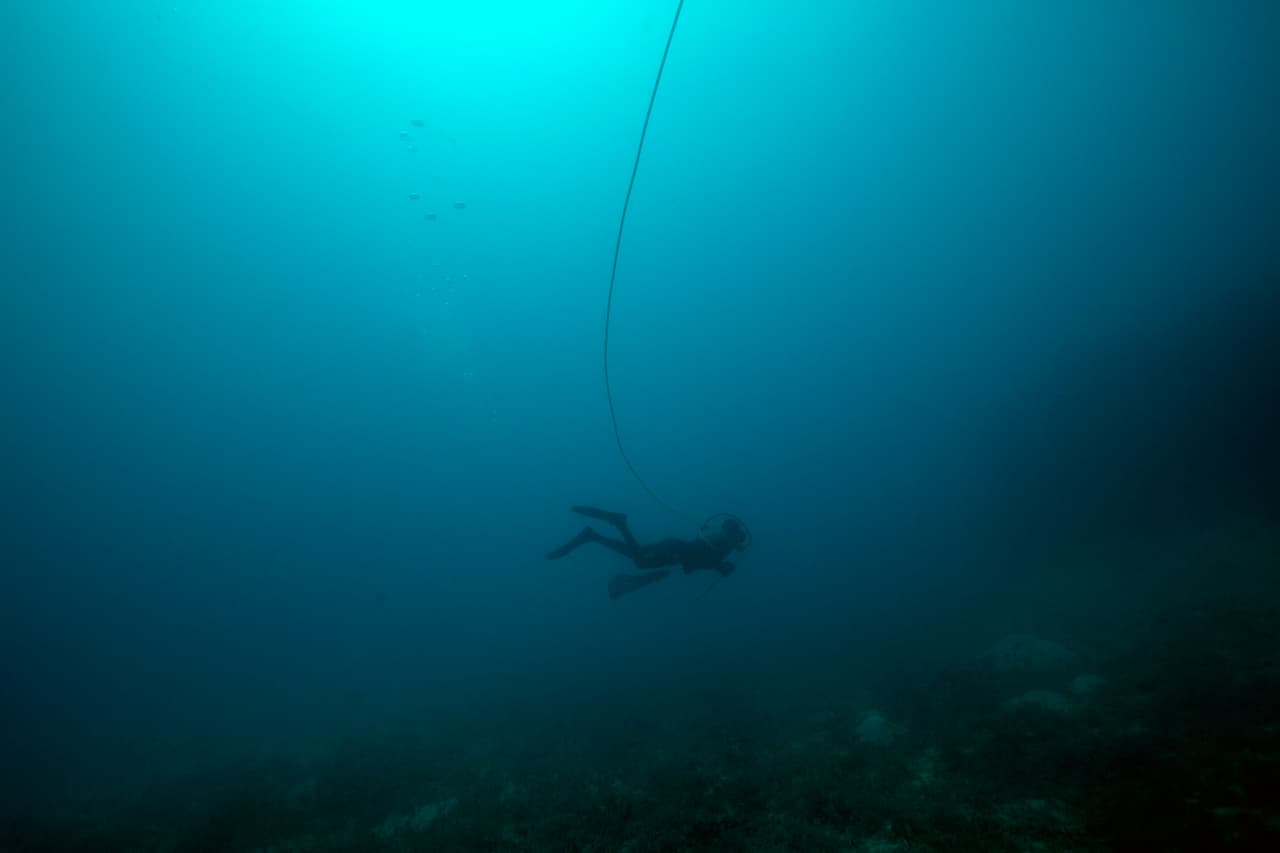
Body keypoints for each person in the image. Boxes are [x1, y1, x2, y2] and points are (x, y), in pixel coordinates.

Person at [546, 505, 748, 599]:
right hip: (674, 551)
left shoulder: (721, 541)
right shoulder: (723, 545)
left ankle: (592, 536)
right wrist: (720, 566)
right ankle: (619, 523)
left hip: (674, 548)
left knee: (637, 554)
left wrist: (719, 565)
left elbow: (703, 556)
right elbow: (703, 559)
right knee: (640, 561)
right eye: (738, 538)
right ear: (734, 535)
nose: (738, 541)